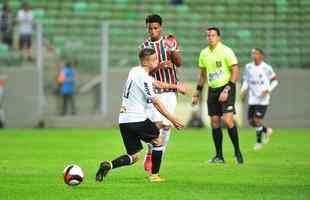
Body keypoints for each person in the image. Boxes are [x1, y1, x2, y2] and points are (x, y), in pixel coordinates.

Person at [95, 48, 184, 183]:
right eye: (155, 59)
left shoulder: (134, 71)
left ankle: (109, 165)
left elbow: (155, 82)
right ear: (147, 61)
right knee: (158, 141)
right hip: (137, 118)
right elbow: (156, 103)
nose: (157, 61)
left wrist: (174, 86)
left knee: (134, 156)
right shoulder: (144, 78)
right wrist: (172, 118)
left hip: (124, 120)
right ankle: (154, 175)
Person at [192, 26, 244, 164]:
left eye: (213, 35)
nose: (210, 37)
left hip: (227, 88)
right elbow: (203, 75)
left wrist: (227, 89)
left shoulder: (226, 51)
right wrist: (197, 92)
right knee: (214, 122)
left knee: (228, 120)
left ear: (218, 37)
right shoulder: (204, 53)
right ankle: (219, 156)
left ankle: (237, 152)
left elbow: (235, 71)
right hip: (213, 90)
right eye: (208, 35)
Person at [139, 14, 183, 174]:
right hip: (152, 90)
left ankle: (158, 156)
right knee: (155, 125)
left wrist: (172, 50)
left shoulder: (169, 41)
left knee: (166, 126)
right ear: (147, 28)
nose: (153, 31)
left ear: (160, 27)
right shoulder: (144, 46)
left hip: (170, 90)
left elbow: (178, 63)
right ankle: (151, 153)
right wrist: (159, 66)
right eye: (150, 28)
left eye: (155, 28)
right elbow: (144, 71)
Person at [240, 48, 279, 150]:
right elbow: (246, 81)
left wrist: (268, 90)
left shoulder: (266, 68)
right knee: (251, 121)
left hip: (263, 99)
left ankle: (259, 142)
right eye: (252, 53)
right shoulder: (248, 67)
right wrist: (243, 91)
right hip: (252, 98)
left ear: (261, 55)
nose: (254, 55)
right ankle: (266, 130)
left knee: (257, 120)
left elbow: (275, 81)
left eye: (256, 53)